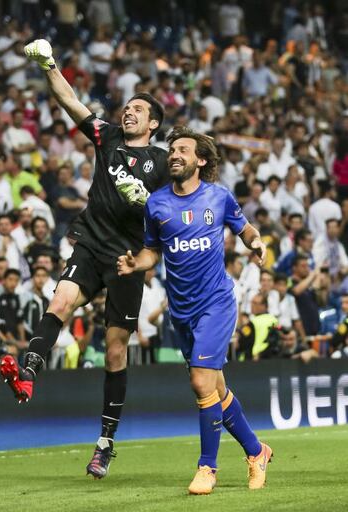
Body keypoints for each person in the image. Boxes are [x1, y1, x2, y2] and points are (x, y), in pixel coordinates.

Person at [0, 38, 168, 479]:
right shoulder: (108, 136)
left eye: (137, 110)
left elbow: (171, 217)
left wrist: (147, 200)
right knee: (59, 302)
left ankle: (105, 443)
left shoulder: (163, 163)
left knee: (115, 350)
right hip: (91, 244)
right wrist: (49, 65)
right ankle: (30, 370)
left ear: (152, 124)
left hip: (128, 260)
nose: (127, 112)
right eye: (126, 107)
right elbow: (70, 101)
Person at [117, 127, 272, 494]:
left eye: (183, 150)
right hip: (181, 310)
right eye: (172, 150)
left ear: (200, 160)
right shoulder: (156, 203)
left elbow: (244, 228)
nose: (174, 154)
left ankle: (207, 467)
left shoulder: (218, 197)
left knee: (201, 382)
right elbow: (153, 250)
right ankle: (257, 451)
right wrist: (136, 264)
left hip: (215, 303)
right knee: (215, 387)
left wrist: (256, 243)